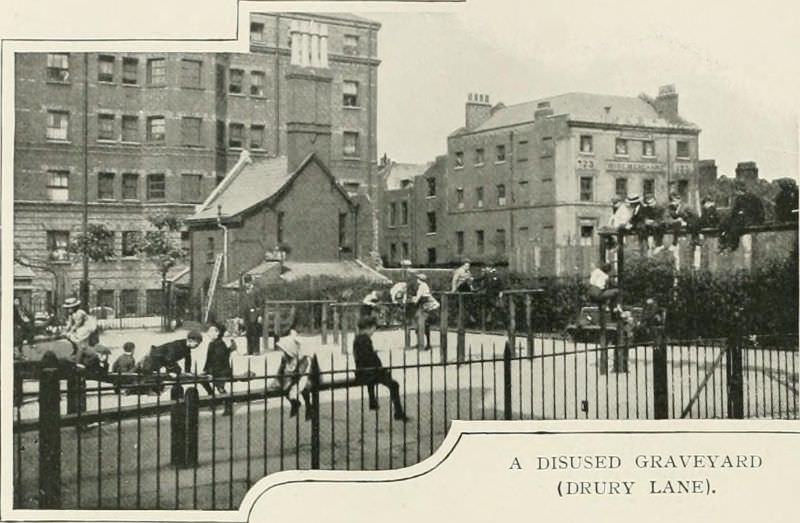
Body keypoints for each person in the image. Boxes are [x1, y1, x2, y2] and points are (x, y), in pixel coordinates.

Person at [352, 316, 409, 421]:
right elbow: (370, 359)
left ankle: (372, 401)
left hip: (363, 372)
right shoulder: (365, 339)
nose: (374, 331)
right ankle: (398, 412)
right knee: (394, 385)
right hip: (370, 373)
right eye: (373, 328)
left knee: (383, 377)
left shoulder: (358, 338)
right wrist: (382, 370)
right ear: (368, 328)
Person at [273, 328, 313, 419]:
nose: (284, 353)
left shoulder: (302, 359)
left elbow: (301, 372)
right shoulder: (285, 359)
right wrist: (277, 380)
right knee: (285, 389)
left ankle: (308, 406)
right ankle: (294, 403)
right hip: (290, 378)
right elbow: (280, 370)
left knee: (303, 387)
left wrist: (292, 381)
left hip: (301, 377)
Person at [720, 181, 764, 251]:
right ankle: (724, 243)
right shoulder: (741, 198)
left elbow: (757, 211)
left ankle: (732, 244)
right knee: (726, 223)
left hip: (751, 219)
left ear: (739, 190)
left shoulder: (751, 198)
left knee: (735, 226)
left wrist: (741, 213)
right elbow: (735, 211)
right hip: (745, 218)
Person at [409, 273, 439, 350]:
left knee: (419, 324)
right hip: (427, 308)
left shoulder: (421, 287)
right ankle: (424, 343)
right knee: (422, 325)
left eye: (417, 279)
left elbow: (418, 299)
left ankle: (421, 345)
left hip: (423, 308)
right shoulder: (425, 285)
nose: (417, 280)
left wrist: (412, 299)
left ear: (419, 280)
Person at [239, 274, 263, 355]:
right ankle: (250, 350)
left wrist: (260, 315)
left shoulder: (256, 291)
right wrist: (241, 317)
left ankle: (256, 350)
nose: (246, 284)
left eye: (248, 282)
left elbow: (259, 304)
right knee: (248, 333)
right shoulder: (243, 291)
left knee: (255, 332)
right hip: (246, 315)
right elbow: (242, 304)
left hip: (254, 314)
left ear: (251, 282)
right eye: (245, 283)